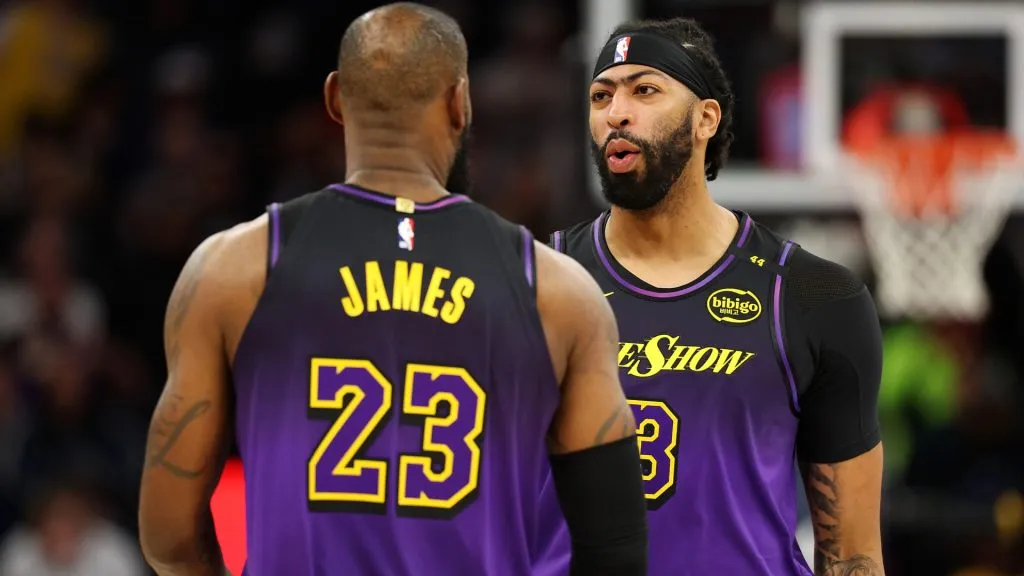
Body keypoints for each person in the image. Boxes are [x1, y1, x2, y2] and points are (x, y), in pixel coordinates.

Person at [137, 3, 649, 576]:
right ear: (461, 103)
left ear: (334, 99)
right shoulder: (558, 291)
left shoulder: (233, 268)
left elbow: (170, 535)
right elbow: (615, 551)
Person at [549, 17, 885, 576]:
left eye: (645, 90)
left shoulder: (811, 296)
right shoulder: (541, 282)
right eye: (601, 96)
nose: (616, 113)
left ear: (706, 118)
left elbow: (852, 555)